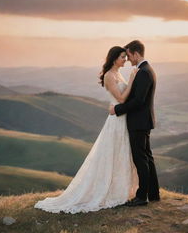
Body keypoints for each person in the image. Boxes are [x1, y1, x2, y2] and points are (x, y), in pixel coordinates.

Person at [34, 46, 139, 214]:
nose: (125, 60)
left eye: (125, 57)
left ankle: (120, 190)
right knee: (111, 154)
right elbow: (120, 98)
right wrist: (133, 80)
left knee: (122, 154)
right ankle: (105, 191)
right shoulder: (109, 76)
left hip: (123, 118)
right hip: (116, 121)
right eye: (122, 57)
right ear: (113, 58)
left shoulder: (118, 73)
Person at [109, 40, 160, 206]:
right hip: (143, 121)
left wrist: (117, 110)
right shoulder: (146, 69)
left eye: (129, 55)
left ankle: (141, 197)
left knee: (141, 159)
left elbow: (138, 101)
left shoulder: (144, 72)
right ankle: (153, 194)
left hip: (139, 122)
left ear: (136, 53)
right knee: (147, 158)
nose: (128, 59)